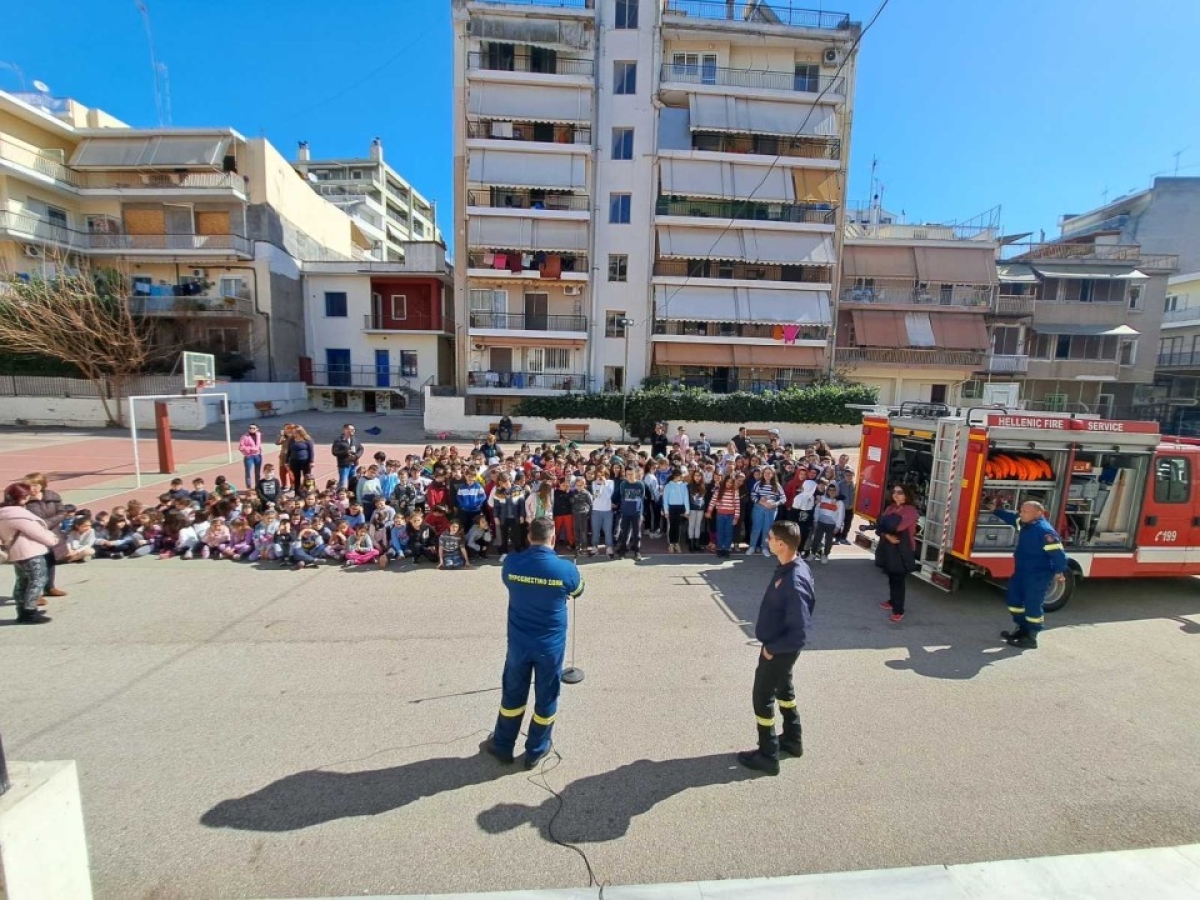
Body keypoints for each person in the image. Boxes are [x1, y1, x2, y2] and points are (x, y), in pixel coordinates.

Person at [486, 517, 584, 768]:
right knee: (547, 695)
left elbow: (508, 582)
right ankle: (536, 750)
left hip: (519, 642)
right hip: (549, 646)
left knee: (513, 693)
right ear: (553, 539)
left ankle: (503, 744)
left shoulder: (512, 563)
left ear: (529, 537)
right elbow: (578, 590)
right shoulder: (565, 569)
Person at [737, 520, 815, 776]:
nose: (767, 541)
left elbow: (800, 631)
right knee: (784, 691)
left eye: (770, 538)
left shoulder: (794, 580)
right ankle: (793, 741)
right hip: (779, 647)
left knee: (763, 698)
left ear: (781, 544)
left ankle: (768, 754)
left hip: (779, 650)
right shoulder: (791, 566)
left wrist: (773, 649)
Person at [991, 499, 1068, 649]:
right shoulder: (1027, 524)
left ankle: (1032, 637)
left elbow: (1059, 554)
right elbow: (1013, 519)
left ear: (1038, 513)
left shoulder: (1045, 532)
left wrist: (1059, 571)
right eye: (1021, 511)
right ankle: (1022, 629)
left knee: (1033, 604)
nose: (1021, 514)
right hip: (1022, 571)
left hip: (1038, 574)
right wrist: (995, 510)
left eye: (1025, 511)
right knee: (1014, 601)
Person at [0, 483, 62, 624]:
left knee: (22, 581)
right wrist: (52, 539)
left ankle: (21, 610)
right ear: (21, 497)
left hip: (15, 551)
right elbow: (37, 532)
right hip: (30, 551)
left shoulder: (3, 513)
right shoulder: (17, 515)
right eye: (26, 495)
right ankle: (30, 611)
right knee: (37, 579)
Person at [876, 484, 920, 622]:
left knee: (898, 580)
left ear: (906, 495)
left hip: (902, 550)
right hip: (889, 547)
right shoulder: (890, 508)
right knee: (891, 575)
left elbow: (898, 527)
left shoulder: (910, 511)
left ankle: (898, 610)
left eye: (900, 492)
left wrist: (884, 528)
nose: (896, 494)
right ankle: (892, 601)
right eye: (894, 492)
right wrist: (887, 535)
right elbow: (880, 527)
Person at [332, 424, 365, 490]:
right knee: (343, 482)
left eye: (354, 430)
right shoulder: (339, 440)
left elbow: (361, 449)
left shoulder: (355, 439)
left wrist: (356, 456)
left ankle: (350, 495)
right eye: (351, 429)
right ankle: (341, 495)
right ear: (345, 430)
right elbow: (334, 452)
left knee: (352, 480)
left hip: (354, 464)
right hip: (344, 465)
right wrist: (345, 452)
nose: (353, 431)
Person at [286, 426, 316, 493]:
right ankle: (297, 493)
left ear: (300, 432)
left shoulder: (307, 440)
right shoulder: (291, 440)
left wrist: (312, 461)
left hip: (305, 461)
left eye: (295, 432)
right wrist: (286, 461)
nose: (293, 433)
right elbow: (289, 451)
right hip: (294, 461)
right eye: (293, 432)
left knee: (307, 478)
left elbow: (311, 451)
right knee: (296, 478)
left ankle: (308, 493)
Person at [238, 424, 263, 489]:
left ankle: (257, 486)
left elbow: (258, 445)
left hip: (257, 455)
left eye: (253, 428)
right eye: (250, 428)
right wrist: (250, 449)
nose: (251, 429)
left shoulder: (258, 435)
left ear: (257, 429)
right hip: (249, 456)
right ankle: (249, 487)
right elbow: (241, 447)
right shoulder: (244, 436)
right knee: (248, 472)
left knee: (257, 472)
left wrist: (260, 451)